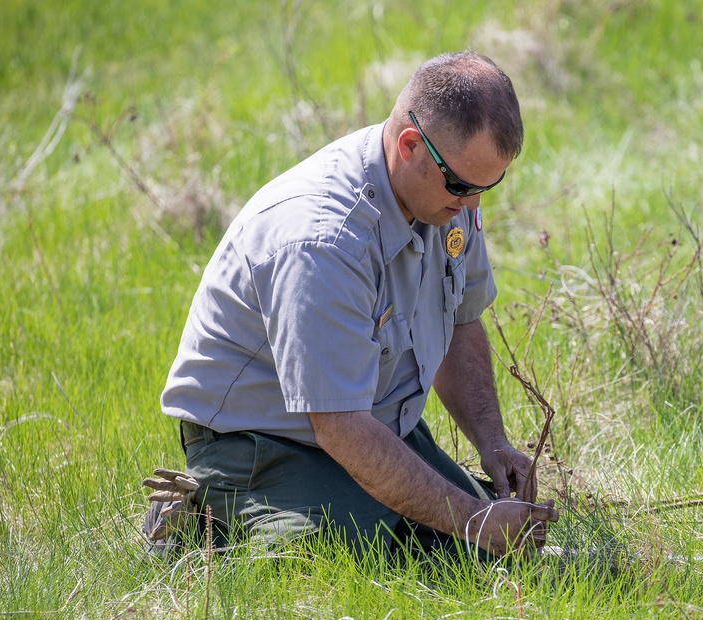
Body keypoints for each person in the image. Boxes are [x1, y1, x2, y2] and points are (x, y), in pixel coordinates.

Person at [143, 51, 559, 559]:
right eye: (462, 186)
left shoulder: (446, 198)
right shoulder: (323, 241)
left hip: (372, 424)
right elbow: (338, 424)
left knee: (479, 550)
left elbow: (461, 323)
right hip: (261, 443)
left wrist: (493, 443)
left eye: (487, 187)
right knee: (356, 559)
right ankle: (201, 521)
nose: (472, 205)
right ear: (410, 146)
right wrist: (471, 520)